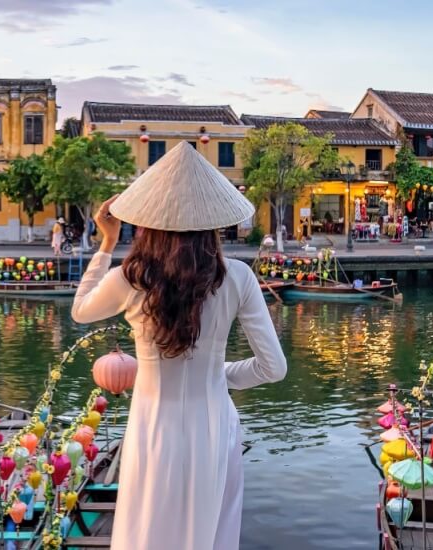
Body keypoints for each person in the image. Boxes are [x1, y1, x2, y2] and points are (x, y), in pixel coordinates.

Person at [71, 143, 286, 550]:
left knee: (148, 529)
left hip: (153, 425)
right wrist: (216, 374)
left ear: (150, 220)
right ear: (213, 222)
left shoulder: (131, 277)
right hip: (215, 423)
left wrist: (106, 244)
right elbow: (272, 368)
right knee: (212, 532)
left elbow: (81, 310)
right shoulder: (238, 276)